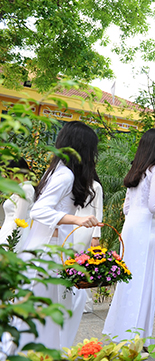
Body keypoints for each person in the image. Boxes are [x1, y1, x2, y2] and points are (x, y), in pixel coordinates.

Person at [11, 121, 101, 352]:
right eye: (92, 149)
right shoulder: (65, 176)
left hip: (49, 250)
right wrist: (77, 219)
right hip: (47, 253)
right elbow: (39, 210)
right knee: (44, 311)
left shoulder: (58, 171)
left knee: (38, 311)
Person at [103, 129, 155, 343]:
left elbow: (129, 208)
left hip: (132, 228)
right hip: (147, 232)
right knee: (145, 282)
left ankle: (121, 334)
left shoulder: (138, 169)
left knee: (129, 280)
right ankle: (138, 338)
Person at [72, 176, 103, 313]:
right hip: (73, 226)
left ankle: (86, 304)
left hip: (87, 229)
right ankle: (77, 303)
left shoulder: (95, 186)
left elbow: (99, 212)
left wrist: (96, 235)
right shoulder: (74, 184)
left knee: (82, 265)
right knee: (73, 265)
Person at [0, 158, 35, 249]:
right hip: (8, 235)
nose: (4, 176)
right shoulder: (22, 188)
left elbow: (19, 221)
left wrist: (9, 246)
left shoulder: (25, 189)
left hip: (11, 238)